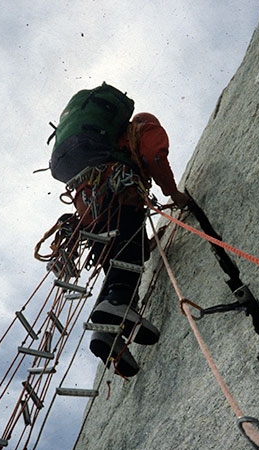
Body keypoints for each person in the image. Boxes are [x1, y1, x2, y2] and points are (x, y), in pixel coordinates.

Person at [78, 112, 189, 377]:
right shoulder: (143, 130)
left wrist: (147, 244)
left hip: (92, 218)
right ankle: (117, 302)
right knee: (128, 252)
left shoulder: (107, 145)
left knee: (125, 256)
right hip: (120, 198)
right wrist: (174, 194)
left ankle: (106, 333)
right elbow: (156, 156)